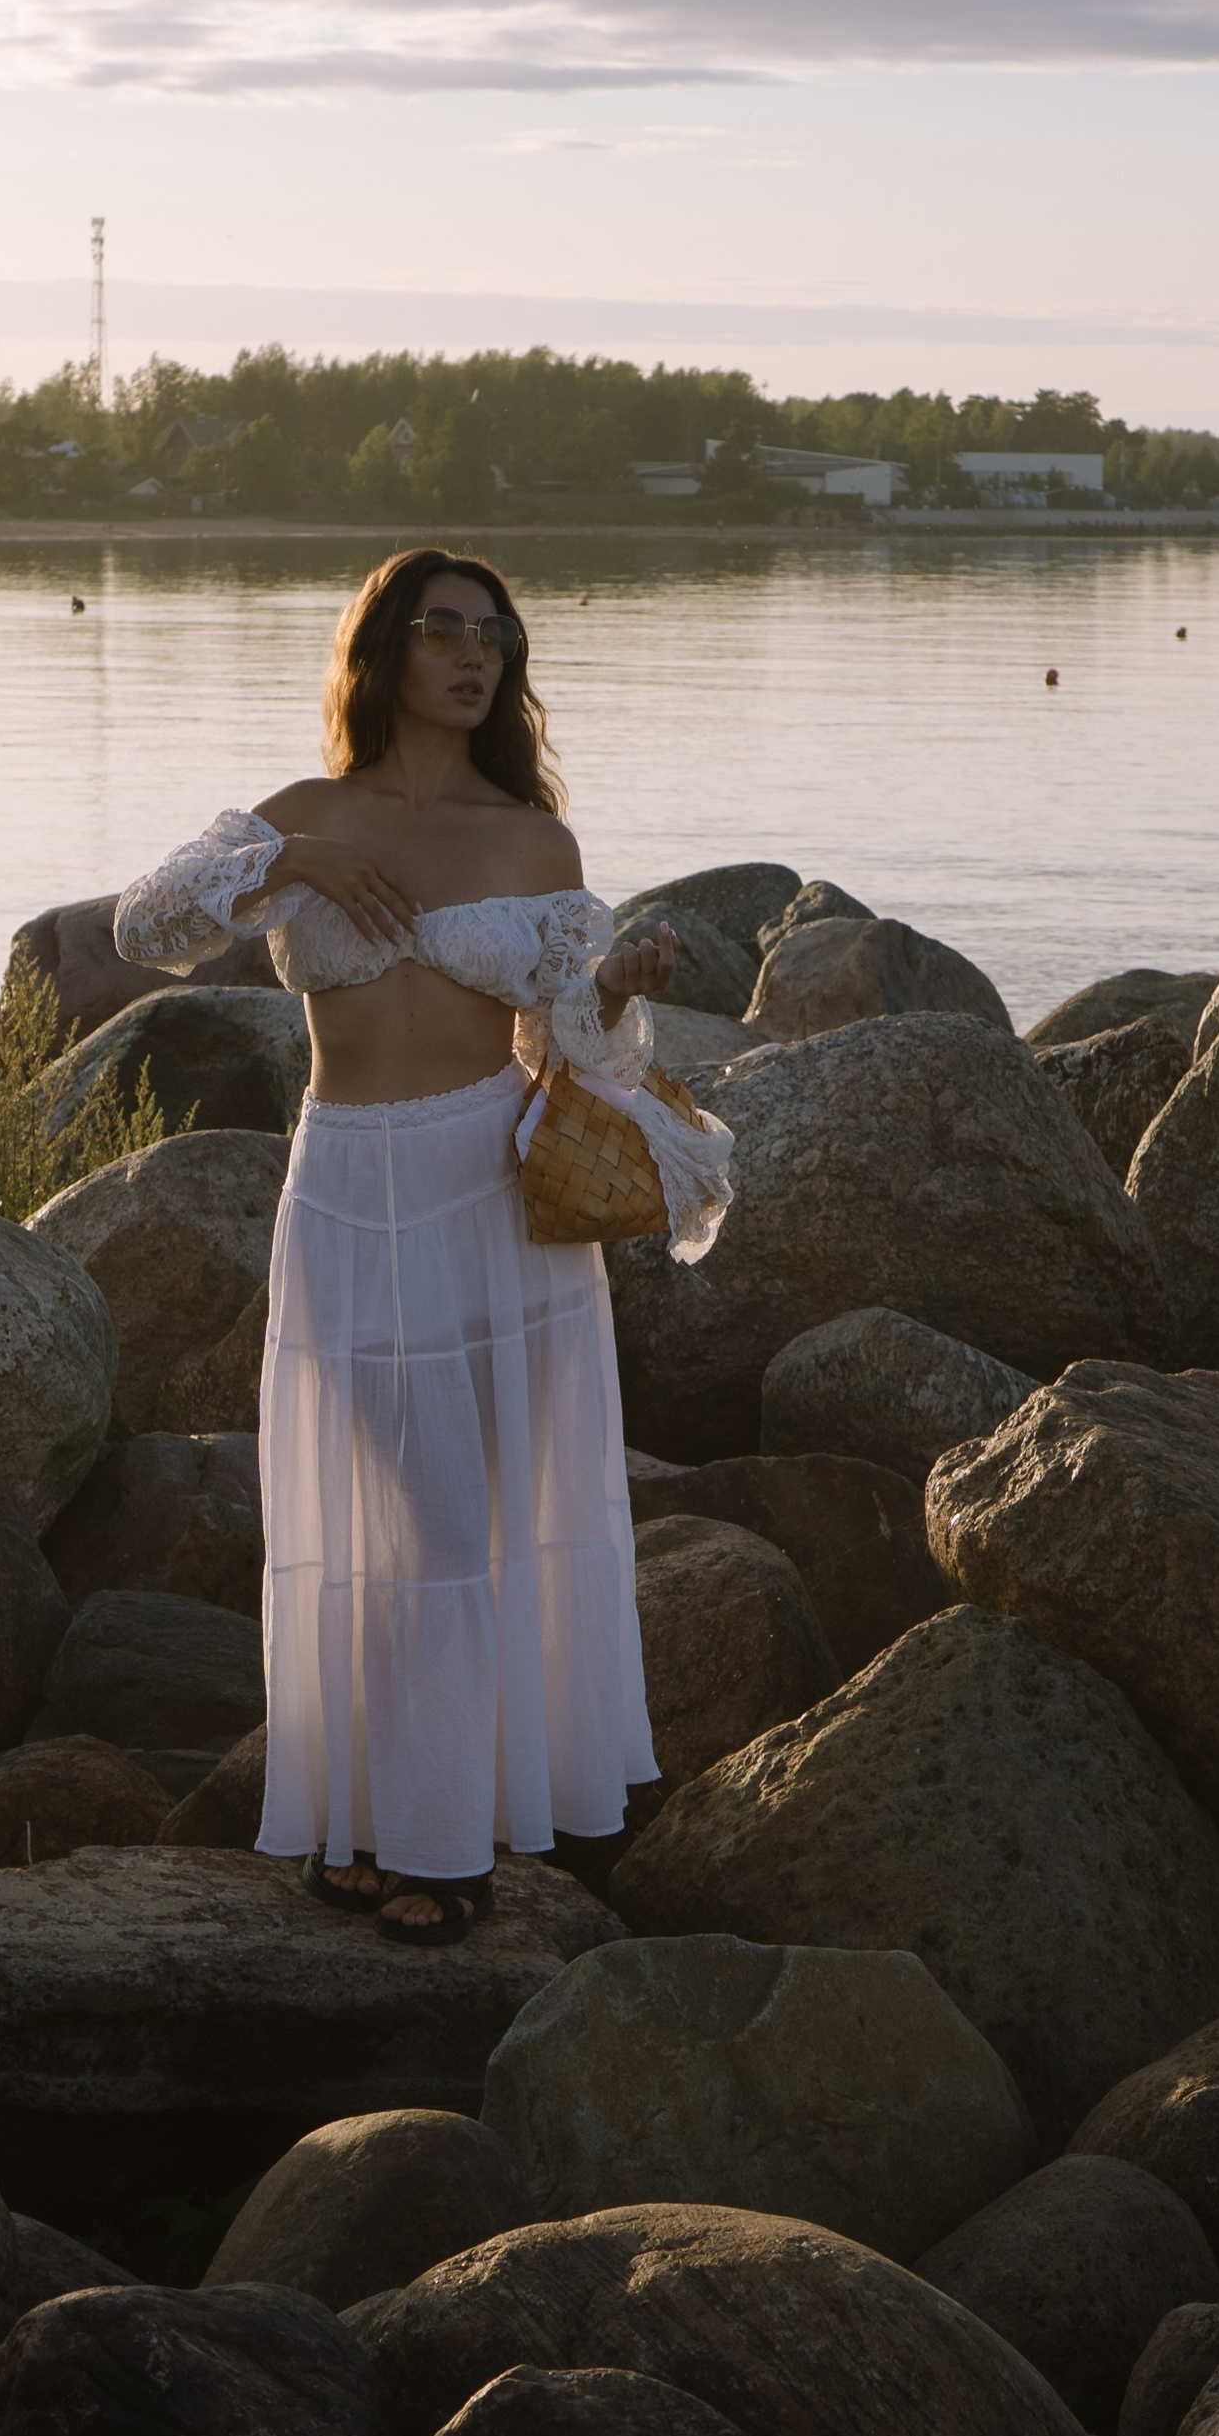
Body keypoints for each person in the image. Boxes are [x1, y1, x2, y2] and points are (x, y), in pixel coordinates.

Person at [114, 545, 733, 1941]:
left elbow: (572, 1044)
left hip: (485, 1190)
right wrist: (291, 858)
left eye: (493, 638)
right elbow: (140, 927)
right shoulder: (302, 816)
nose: (471, 655)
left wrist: (616, 986)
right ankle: (375, 1820)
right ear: (385, 648)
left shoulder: (534, 842)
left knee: (457, 1523)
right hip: (341, 1188)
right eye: (443, 629)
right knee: (380, 1520)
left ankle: (445, 1852)